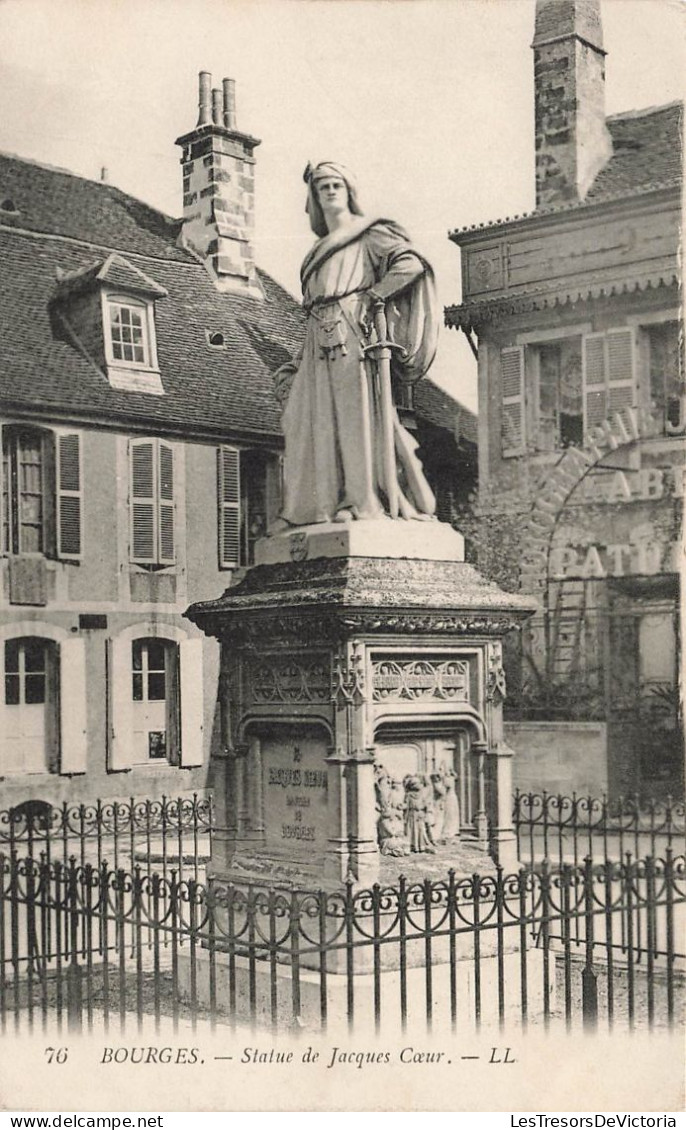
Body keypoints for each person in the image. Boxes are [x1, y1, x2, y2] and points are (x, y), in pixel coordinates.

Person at [273, 161, 439, 527]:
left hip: (352, 329)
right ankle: (316, 507)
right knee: (306, 421)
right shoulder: (316, 254)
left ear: (349, 191)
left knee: (354, 418)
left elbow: (410, 265)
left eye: (337, 185)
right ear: (314, 198)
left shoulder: (369, 234)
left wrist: (374, 296)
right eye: (323, 187)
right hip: (317, 334)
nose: (330, 191)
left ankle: (360, 501)